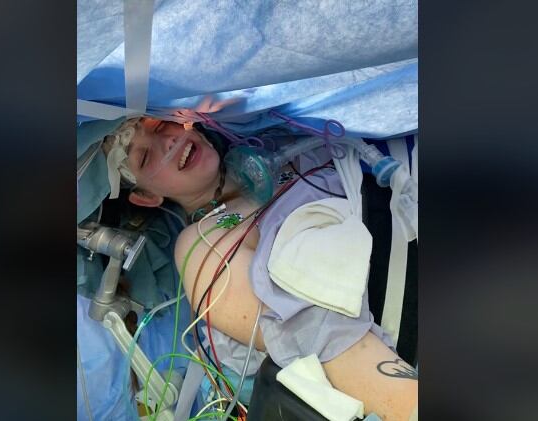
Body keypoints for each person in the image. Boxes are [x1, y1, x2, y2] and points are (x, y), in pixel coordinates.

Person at [102, 116, 418, 421]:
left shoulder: (278, 141)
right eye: (145, 157)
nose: (168, 143)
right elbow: (320, 336)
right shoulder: (201, 244)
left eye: (160, 125)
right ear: (147, 196)